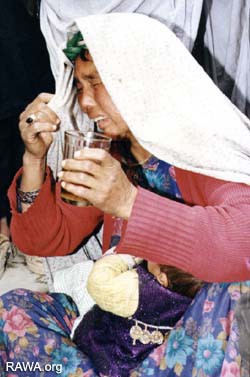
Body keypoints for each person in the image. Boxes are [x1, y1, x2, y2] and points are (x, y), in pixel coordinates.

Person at [1, 13, 250, 377]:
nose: (85, 102)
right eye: (79, 86)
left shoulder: (203, 152)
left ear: (140, 79)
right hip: (114, 330)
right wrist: (34, 160)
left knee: (239, 292)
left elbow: (243, 242)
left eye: (95, 82)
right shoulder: (115, 154)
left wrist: (128, 202)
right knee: (14, 309)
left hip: (184, 342)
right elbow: (41, 240)